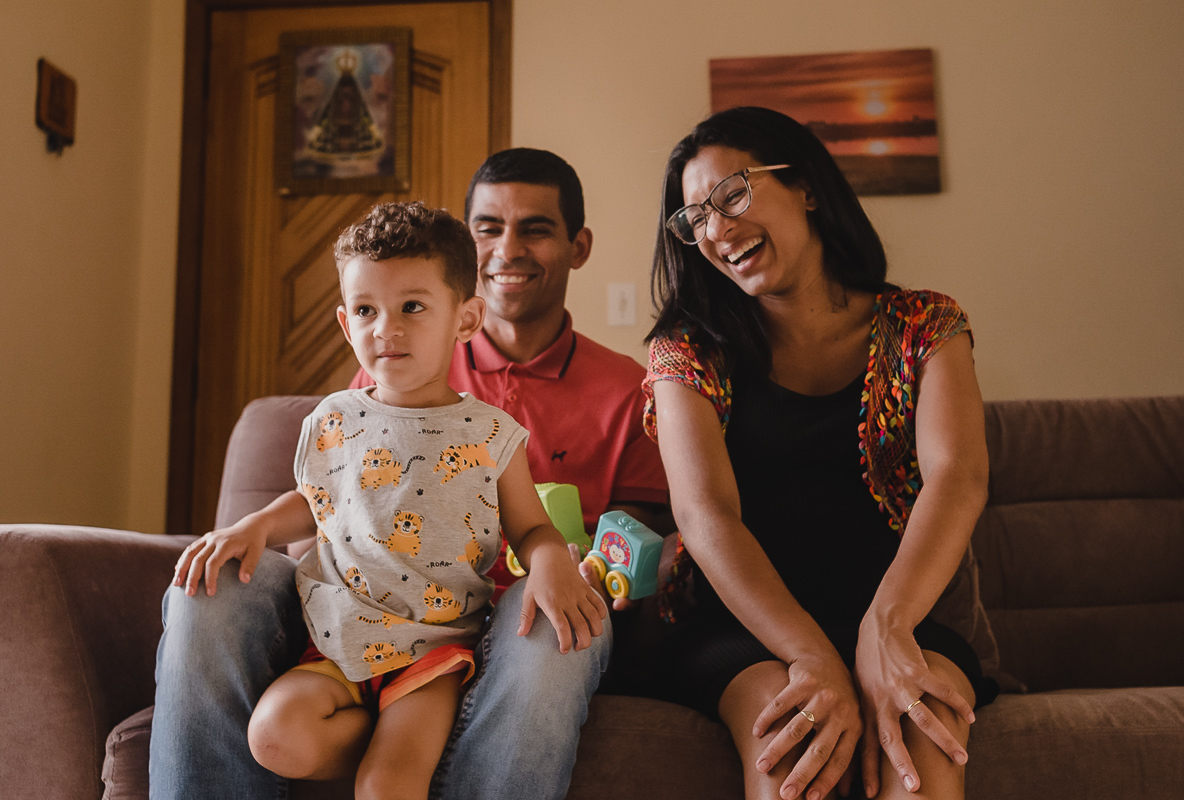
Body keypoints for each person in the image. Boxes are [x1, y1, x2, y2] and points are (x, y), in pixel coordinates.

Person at [150, 148, 668, 800]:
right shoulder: (376, 380)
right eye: (487, 227)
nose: (507, 248)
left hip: (500, 619)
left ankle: (414, 738)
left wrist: (566, 561)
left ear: (577, 245)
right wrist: (269, 540)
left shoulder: (624, 389)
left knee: (564, 628)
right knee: (209, 583)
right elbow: (334, 499)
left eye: (535, 227)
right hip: (360, 612)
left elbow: (641, 532)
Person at [642, 107, 997, 800]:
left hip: (901, 616)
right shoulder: (685, 351)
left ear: (804, 184)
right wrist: (811, 656)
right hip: (748, 632)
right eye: (695, 219)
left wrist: (885, 630)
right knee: (793, 746)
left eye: (733, 194)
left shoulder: (926, 324)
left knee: (922, 749)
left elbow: (958, 479)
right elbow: (705, 514)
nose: (715, 230)